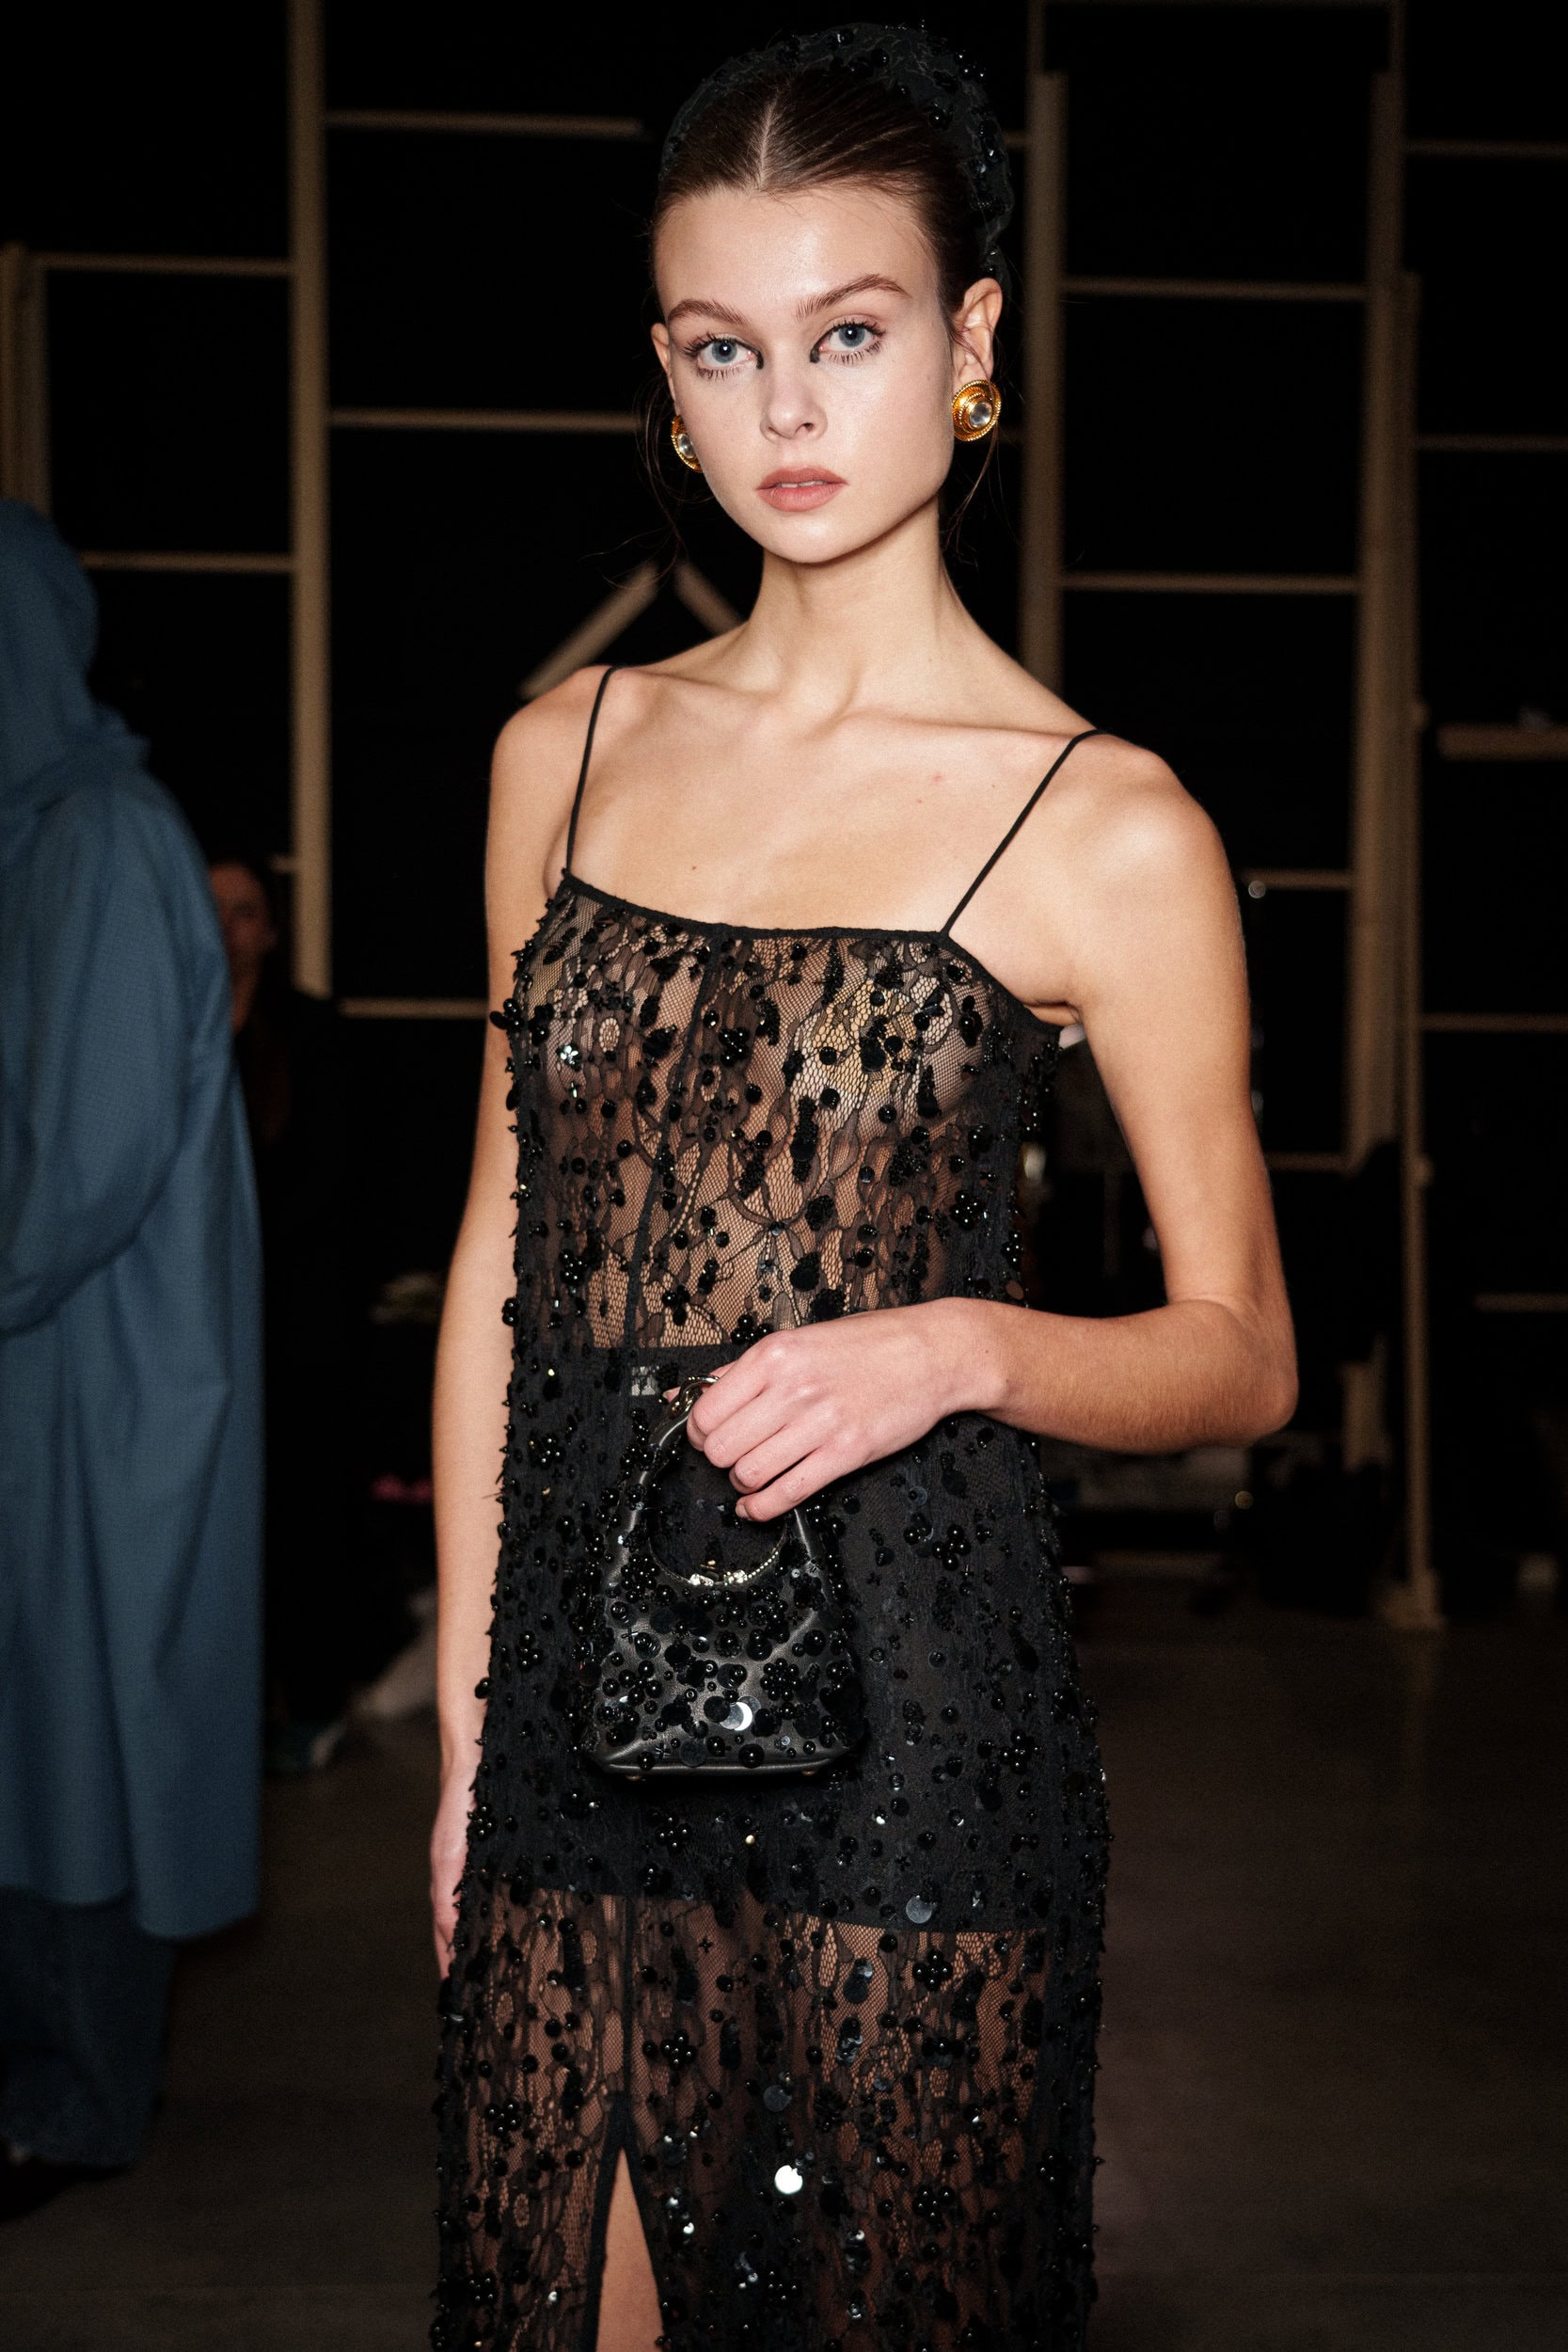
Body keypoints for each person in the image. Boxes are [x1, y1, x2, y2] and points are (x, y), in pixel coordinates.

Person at [429, 27, 1297, 2351]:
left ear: (969, 340)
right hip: (574, 1738)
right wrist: (469, 1748)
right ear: (667, 375)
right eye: (723, 349)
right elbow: (503, 1265)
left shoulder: (1106, 824)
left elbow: (1243, 1352)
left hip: (922, 1751)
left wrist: (957, 1346)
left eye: (849, 331)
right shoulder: (564, 753)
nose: (785, 409)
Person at [0, 502, 262, 2217]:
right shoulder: (47, 834)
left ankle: (73, 2106)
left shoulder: (97, 838)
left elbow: (74, 1173)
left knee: (78, 1744)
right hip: (56, 1376)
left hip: (96, 1392)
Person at [208, 851, 358, 1773]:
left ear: (268, 929)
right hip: (204, 1321)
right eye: (209, 908)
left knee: (305, 1513)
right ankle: (231, 1706)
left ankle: (313, 1701)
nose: (224, 928)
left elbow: (331, 1179)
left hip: (296, 1318)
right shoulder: (173, 1023)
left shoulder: (311, 1031)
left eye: (242, 911)